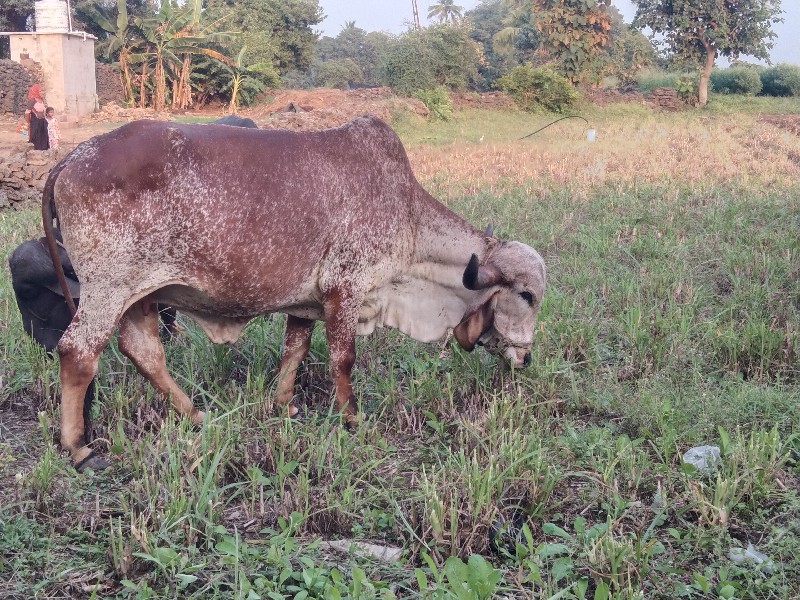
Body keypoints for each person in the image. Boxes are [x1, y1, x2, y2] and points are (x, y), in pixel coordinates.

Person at [26, 84, 49, 150]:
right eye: (40, 90)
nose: (42, 92)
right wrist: (28, 123)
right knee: (36, 135)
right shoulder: (32, 100)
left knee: (43, 135)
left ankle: (44, 148)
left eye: (42, 90)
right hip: (35, 121)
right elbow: (27, 112)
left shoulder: (41, 99)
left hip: (42, 120)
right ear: (36, 91)